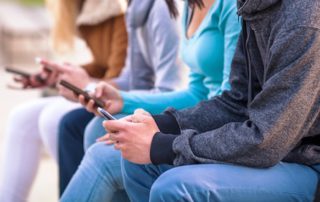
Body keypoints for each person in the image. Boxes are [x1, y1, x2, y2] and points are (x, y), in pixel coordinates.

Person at [103, 0, 320, 201]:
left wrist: (164, 145)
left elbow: (267, 141)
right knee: (138, 164)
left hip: (309, 162)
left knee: (175, 186)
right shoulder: (253, 6)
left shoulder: (303, 21)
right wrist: (162, 124)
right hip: (279, 150)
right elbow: (237, 103)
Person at [60, 0, 241, 201]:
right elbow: (196, 92)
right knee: (99, 128)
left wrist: (156, 125)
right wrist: (123, 100)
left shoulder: (232, 6)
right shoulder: (190, 4)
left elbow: (231, 103)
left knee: (102, 157)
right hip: (200, 113)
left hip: (222, 127)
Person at [0, 0, 128, 201]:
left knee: (53, 118)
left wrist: (82, 83)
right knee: (21, 117)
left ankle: (84, 192)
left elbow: (122, 74)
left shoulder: (118, 8)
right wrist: (60, 76)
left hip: (125, 93)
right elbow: (103, 64)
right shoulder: (85, 7)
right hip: (106, 86)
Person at [57, 0, 185, 195]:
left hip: (179, 108)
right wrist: (93, 89)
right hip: (152, 98)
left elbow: (170, 86)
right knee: (81, 124)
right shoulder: (136, 8)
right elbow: (134, 78)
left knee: (92, 129)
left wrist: (96, 87)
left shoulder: (162, 8)